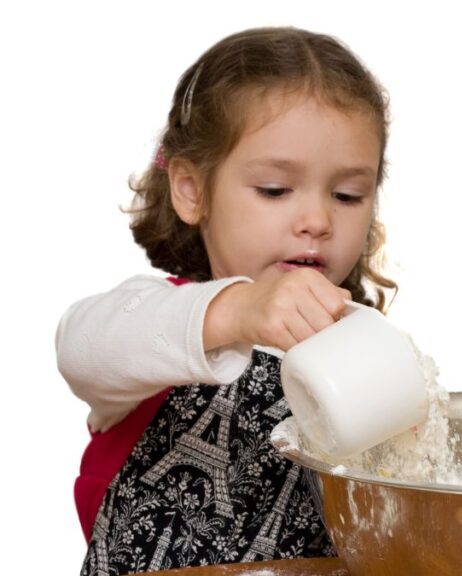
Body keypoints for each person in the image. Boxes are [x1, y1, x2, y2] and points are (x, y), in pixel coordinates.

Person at [56, 27, 396, 574]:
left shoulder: (364, 356)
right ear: (191, 189)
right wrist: (236, 312)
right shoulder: (160, 325)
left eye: (347, 195)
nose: (317, 220)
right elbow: (82, 346)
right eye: (275, 190)